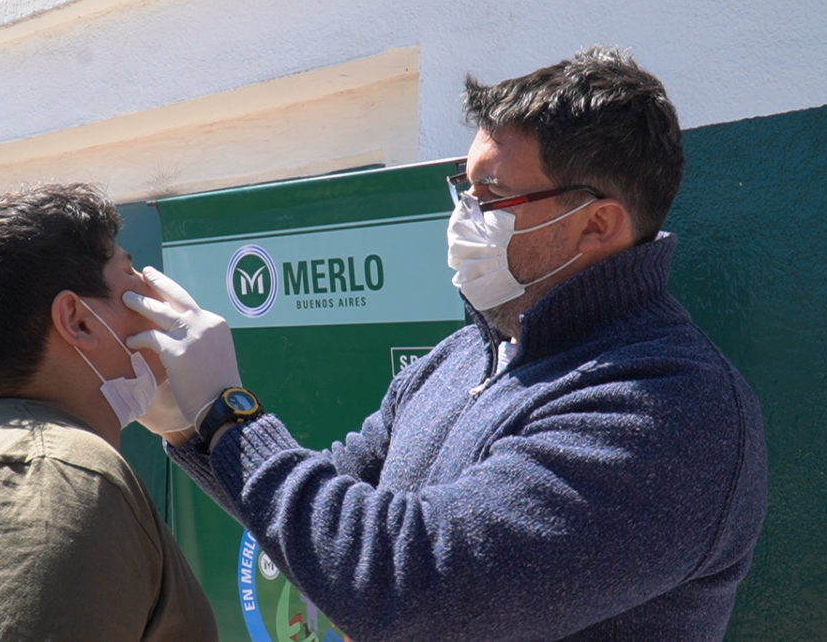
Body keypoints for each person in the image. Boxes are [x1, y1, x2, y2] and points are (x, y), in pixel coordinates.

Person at [122, 47, 768, 640]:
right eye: (464, 188)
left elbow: (409, 585)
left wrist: (229, 412)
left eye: (491, 196)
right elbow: (334, 512)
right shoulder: (463, 355)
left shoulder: (669, 406)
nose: (464, 216)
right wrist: (192, 431)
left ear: (597, 223)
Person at [0, 185, 216, 641]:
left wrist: (191, 434)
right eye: (131, 274)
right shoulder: (52, 477)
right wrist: (228, 414)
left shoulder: (16, 453)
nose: (154, 297)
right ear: (79, 321)